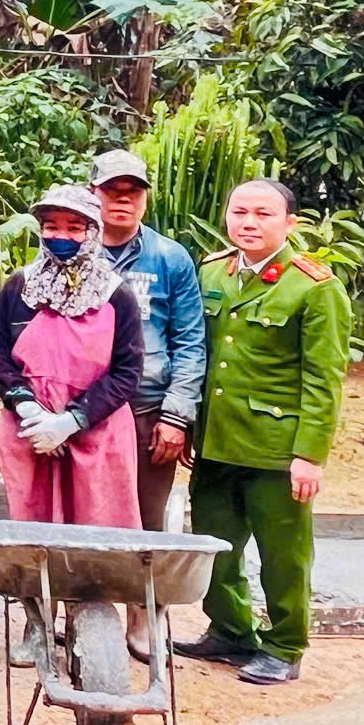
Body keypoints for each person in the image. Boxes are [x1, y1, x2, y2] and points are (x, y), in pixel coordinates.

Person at [175, 179, 350, 687]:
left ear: (290, 223)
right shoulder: (214, 273)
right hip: (215, 442)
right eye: (240, 212)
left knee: (283, 554)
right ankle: (230, 630)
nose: (248, 223)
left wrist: (310, 455)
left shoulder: (313, 287)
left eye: (263, 214)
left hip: (276, 450)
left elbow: (324, 379)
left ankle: (286, 644)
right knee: (214, 545)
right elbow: (200, 356)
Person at [0, 185, 146, 535]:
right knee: (34, 535)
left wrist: (70, 422)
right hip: (30, 434)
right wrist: (30, 412)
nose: (62, 236)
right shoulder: (19, 288)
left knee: (98, 536)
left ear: (92, 232)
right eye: (52, 226)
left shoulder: (116, 295)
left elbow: (127, 372)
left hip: (98, 436)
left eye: (74, 227)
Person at [90, 150, 208, 535]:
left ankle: (146, 598)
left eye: (133, 192)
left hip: (147, 411)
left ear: (145, 198)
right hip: (83, 410)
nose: (123, 199)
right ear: (94, 193)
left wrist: (177, 417)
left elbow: (190, 341)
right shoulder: (71, 248)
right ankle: (89, 597)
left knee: (145, 523)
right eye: (112, 190)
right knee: (84, 517)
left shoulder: (171, 258)